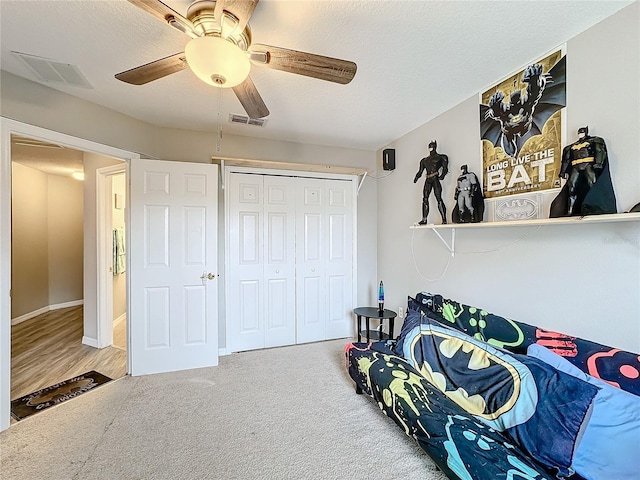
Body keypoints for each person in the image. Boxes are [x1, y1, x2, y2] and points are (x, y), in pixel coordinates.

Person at [554, 126, 615, 216]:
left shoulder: (594, 140)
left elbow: (599, 151)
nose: (580, 134)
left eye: (582, 132)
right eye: (579, 132)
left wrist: (598, 163)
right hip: (576, 166)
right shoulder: (571, 146)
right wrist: (562, 172)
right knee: (572, 188)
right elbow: (566, 160)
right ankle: (570, 211)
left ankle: (594, 207)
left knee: (593, 185)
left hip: (588, 165)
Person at [414, 140, 449, 224]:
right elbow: (420, 171)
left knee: (439, 198)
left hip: (435, 178)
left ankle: (444, 219)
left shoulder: (441, 157)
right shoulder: (424, 160)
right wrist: (416, 177)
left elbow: (445, 168)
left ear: (435, 147)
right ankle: (424, 219)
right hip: (428, 179)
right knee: (425, 198)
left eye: (432, 146)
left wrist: (442, 175)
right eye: (430, 146)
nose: (431, 148)